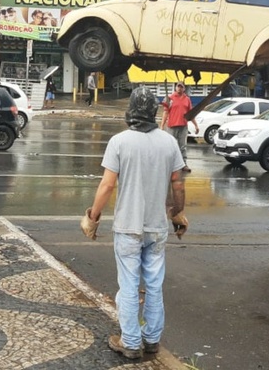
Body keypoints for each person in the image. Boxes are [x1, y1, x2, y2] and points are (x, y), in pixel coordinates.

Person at [80, 86, 188, 360]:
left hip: (128, 227)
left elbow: (106, 185)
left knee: (128, 285)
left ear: (131, 110)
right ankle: (151, 340)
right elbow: (178, 183)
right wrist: (177, 212)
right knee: (154, 284)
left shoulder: (120, 141)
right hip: (157, 227)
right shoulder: (168, 142)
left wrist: (93, 216)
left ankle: (130, 342)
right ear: (153, 111)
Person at [161, 81, 199, 172]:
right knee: (170, 146)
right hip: (171, 126)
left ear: (184, 88)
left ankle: (184, 164)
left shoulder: (187, 99)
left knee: (182, 146)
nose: (179, 88)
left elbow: (191, 114)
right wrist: (162, 126)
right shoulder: (170, 98)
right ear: (175, 88)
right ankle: (169, 165)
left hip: (183, 126)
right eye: (178, 86)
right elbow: (165, 112)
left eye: (181, 87)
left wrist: (196, 126)